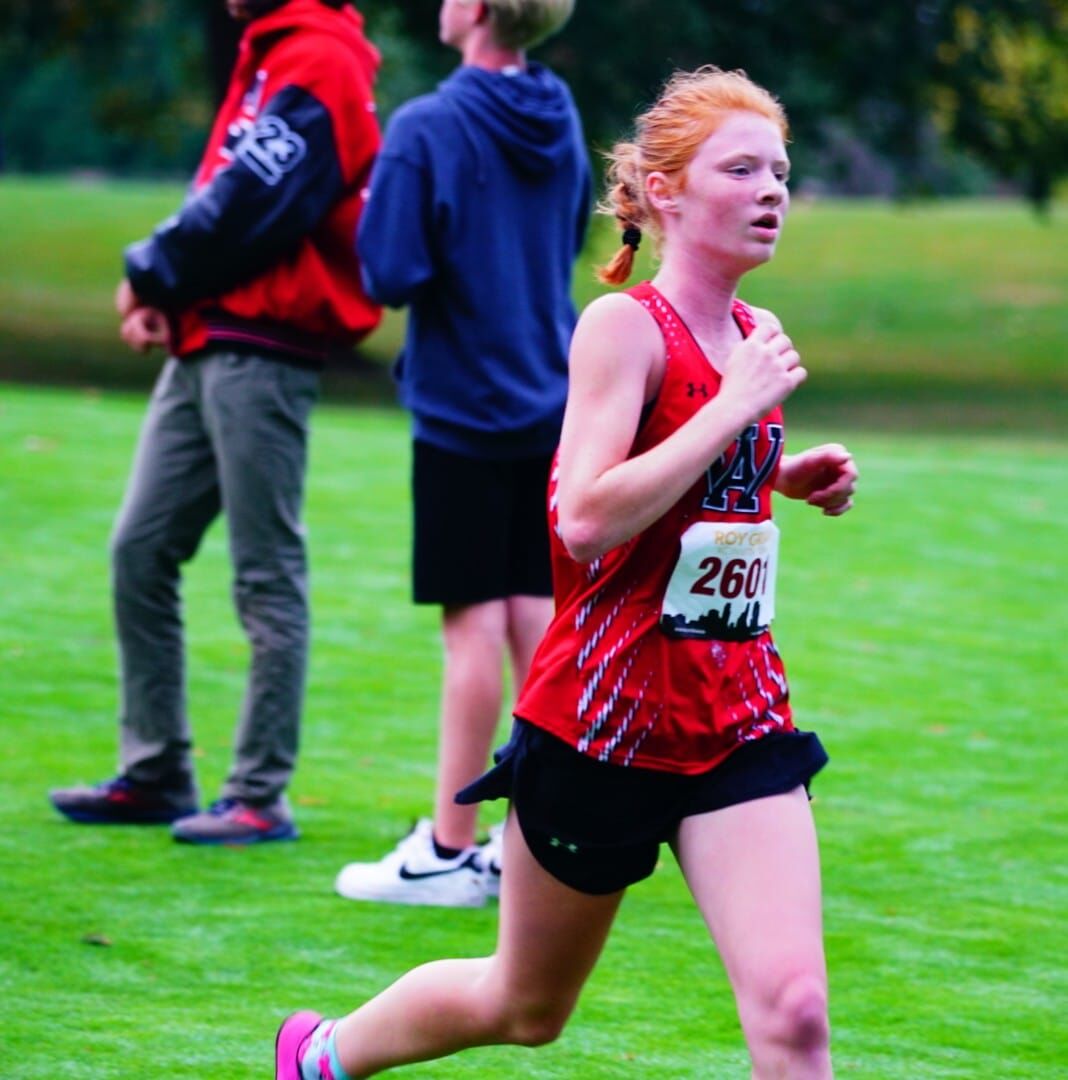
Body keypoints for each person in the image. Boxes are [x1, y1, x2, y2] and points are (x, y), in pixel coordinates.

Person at [273, 65, 858, 1078]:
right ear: (668, 194)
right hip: (602, 724)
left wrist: (780, 472)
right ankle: (323, 1055)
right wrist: (732, 412)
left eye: (781, 171)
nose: (772, 191)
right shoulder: (623, 329)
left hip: (733, 718)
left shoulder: (755, 338)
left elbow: (693, 505)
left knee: (797, 1010)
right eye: (742, 169)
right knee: (527, 1004)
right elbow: (584, 517)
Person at [48, 0, 382, 845]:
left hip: (262, 347)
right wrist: (173, 294)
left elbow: (250, 202)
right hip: (211, 336)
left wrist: (151, 272)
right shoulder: (269, 49)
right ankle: (158, 770)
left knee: (265, 571)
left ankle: (259, 793)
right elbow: (230, 195)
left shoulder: (321, 56)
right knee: (140, 547)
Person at [334, 0, 591, 905]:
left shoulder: (427, 125)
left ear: (476, 9)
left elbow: (389, 271)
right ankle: (550, 830)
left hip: (460, 410)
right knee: (535, 618)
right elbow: (563, 244)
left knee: (474, 624)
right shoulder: (558, 113)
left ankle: (448, 847)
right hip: (548, 394)